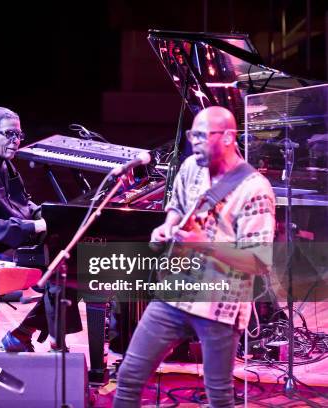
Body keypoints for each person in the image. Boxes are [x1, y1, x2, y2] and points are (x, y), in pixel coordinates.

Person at [113, 106, 276, 408]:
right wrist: (167, 226)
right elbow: (177, 205)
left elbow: (259, 261)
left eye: (203, 136)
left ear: (228, 137)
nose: (195, 142)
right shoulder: (191, 167)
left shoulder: (255, 189)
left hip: (220, 304)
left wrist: (205, 244)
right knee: (129, 377)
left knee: (219, 396)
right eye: (193, 135)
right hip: (176, 293)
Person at [0, 106, 81, 352]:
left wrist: (52, 216)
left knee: (71, 263)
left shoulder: (4, 162)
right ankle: (50, 344)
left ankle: (24, 335)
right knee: (62, 271)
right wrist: (35, 226)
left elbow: (22, 203)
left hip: (8, 241)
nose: (16, 141)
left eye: (19, 135)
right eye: (9, 134)